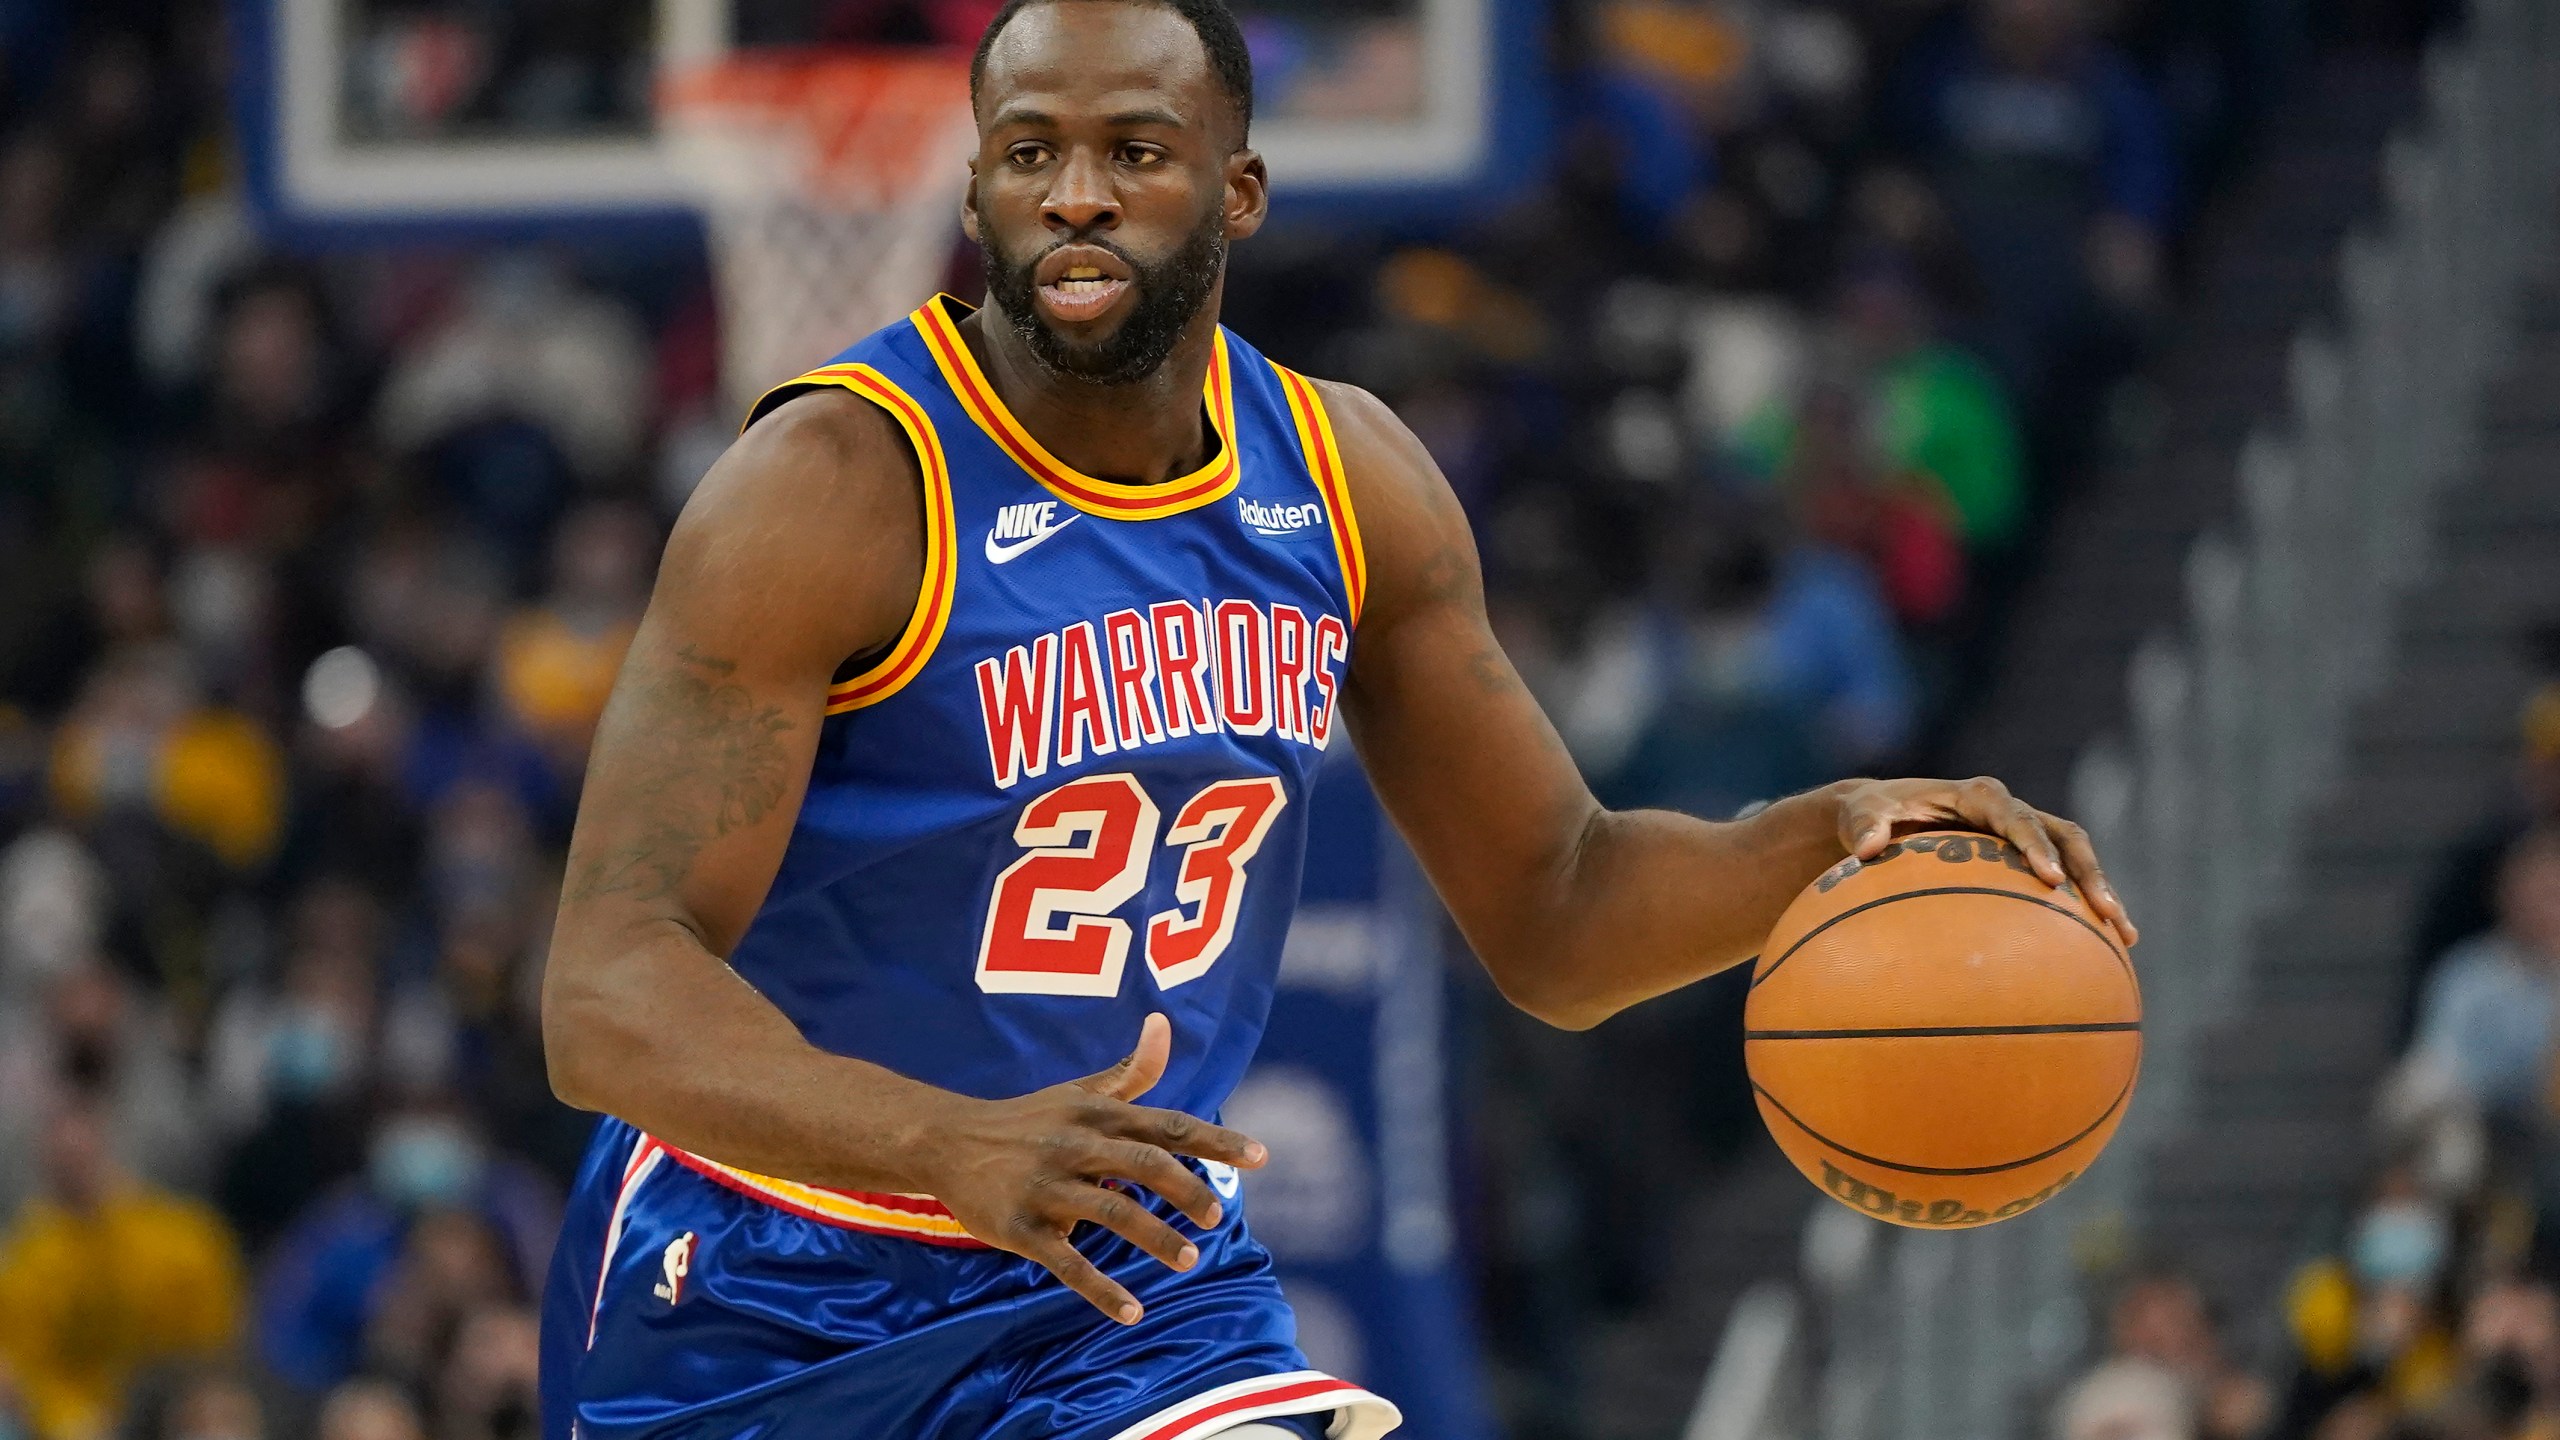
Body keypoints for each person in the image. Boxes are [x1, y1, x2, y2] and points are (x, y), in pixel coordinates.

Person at [533, 2, 2136, 1437]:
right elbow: (607, 990)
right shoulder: (833, 488)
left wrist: (1818, 838)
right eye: (1029, 152)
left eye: (1134, 150)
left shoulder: (1345, 477)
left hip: (1128, 1285)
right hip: (762, 1283)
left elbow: (1563, 915)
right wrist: (950, 1143)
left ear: (1237, 192)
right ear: (974, 194)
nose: (1075, 192)